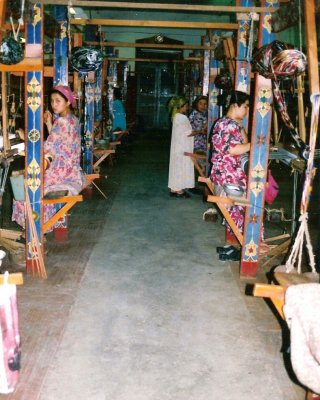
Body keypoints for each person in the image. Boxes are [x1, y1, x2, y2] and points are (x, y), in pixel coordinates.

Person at [12, 85, 86, 230]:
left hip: (62, 172)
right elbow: (58, 142)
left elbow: (46, 147)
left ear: (68, 102)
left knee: (25, 188)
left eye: (58, 101)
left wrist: (24, 138)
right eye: (52, 101)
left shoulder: (63, 122)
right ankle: (37, 227)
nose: (53, 105)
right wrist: (48, 123)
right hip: (71, 169)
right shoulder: (72, 119)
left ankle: (35, 230)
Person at [209, 90, 250, 233]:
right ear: (234, 105)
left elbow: (244, 141)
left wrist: (240, 124)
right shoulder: (228, 125)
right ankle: (249, 243)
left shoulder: (225, 122)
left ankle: (243, 241)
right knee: (248, 208)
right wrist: (257, 145)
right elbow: (234, 149)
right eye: (245, 106)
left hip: (224, 175)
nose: (247, 110)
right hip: (229, 177)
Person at [168, 96, 195, 198]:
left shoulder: (175, 116)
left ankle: (174, 188)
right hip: (183, 146)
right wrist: (201, 131)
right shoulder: (182, 117)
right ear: (181, 106)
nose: (187, 108)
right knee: (181, 166)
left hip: (177, 145)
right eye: (186, 106)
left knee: (176, 166)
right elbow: (189, 133)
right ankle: (179, 190)